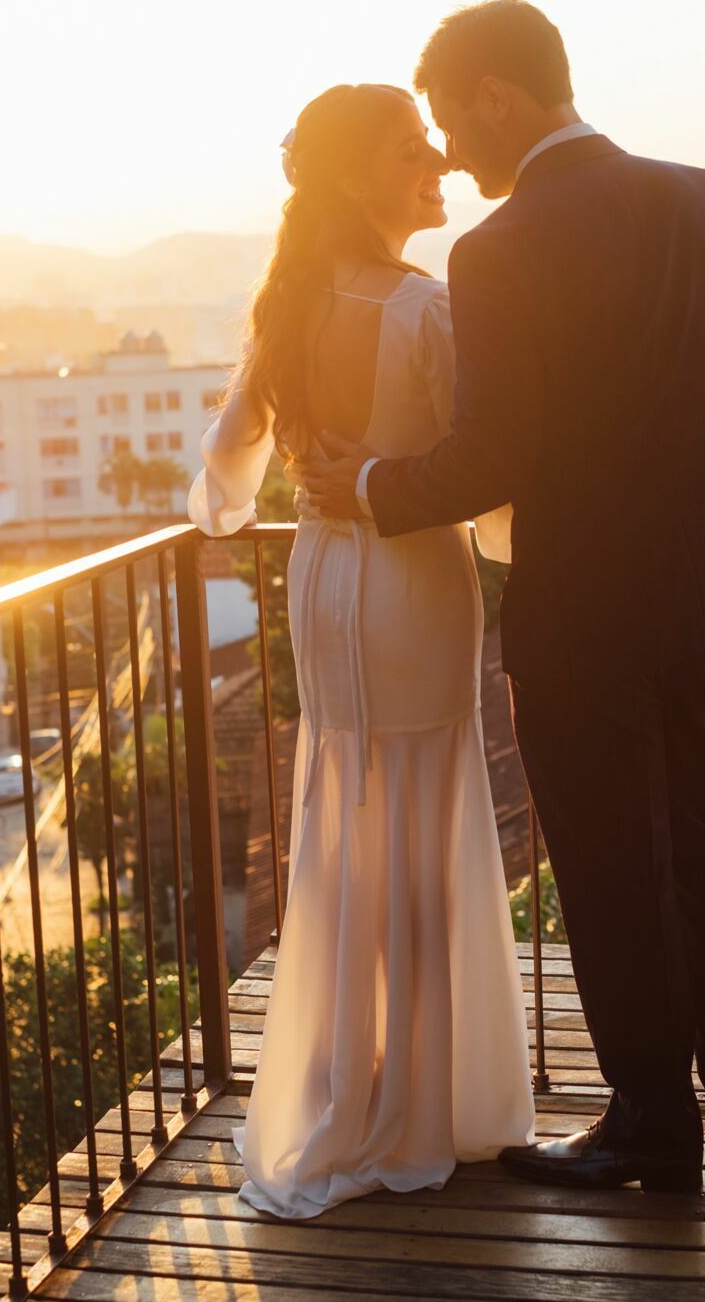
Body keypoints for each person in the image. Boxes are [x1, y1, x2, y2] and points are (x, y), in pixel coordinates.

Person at [301, 0, 705, 1191]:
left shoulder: (499, 248)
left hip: (583, 609)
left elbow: (491, 458)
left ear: (495, 93)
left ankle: (652, 1125)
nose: (448, 150)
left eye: (448, 117)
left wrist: (368, 483)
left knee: (604, 861)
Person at [188, 81, 535, 1220]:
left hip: (325, 575)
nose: (433, 159)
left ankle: (350, 1083)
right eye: (407, 151)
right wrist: (522, 536)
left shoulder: (285, 305)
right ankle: (420, 1103)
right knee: (425, 806)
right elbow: (483, 484)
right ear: (351, 177)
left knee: (346, 810)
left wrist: (273, 494)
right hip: (411, 576)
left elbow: (224, 474)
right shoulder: (421, 308)